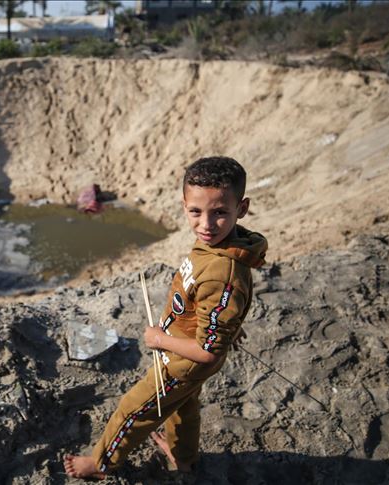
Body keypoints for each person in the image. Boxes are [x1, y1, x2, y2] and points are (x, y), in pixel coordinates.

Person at [64, 156, 268, 478]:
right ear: (184, 206)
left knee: (133, 410)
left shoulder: (222, 271)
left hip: (183, 362)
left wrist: (159, 339)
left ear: (241, 209)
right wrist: (228, 327)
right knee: (182, 407)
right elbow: (222, 307)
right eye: (195, 212)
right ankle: (184, 458)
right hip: (184, 352)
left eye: (219, 213)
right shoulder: (221, 243)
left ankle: (101, 464)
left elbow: (208, 350)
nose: (206, 224)